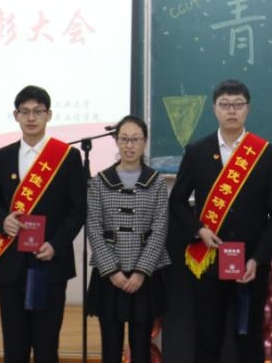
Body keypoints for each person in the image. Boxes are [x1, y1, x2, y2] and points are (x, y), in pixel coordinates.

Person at [168, 78, 272, 363]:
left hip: (251, 264)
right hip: (209, 260)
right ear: (215, 109)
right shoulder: (197, 151)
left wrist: (258, 258)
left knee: (249, 340)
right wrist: (199, 230)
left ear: (248, 108)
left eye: (238, 105)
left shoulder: (265, 153)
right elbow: (177, 202)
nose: (231, 111)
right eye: (225, 105)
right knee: (208, 337)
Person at [0, 85, 86, 363]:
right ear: (16, 115)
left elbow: (77, 210)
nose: (31, 118)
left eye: (38, 111)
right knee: (14, 346)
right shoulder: (1, 157)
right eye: (25, 112)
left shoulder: (67, 157)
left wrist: (56, 244)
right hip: (11, 262)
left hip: (50, 260)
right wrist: (3, 220)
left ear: (48, 115)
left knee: (46, 345)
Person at [85, 115, 170, 363]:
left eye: (135, 139)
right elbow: (94, 228)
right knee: (110, 348)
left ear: (144, 142)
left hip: (144, 277)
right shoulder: (99, 182)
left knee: (141, 348)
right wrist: (112, 271)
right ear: (116, 141)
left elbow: (160, 228)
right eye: (124, 139)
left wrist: (141, 272)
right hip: (109, 275)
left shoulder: (156, 182)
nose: (129, 145)